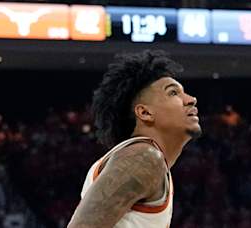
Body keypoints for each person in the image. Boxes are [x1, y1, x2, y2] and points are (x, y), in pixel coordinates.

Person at [69, 51, 201, 227]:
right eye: (173, 93)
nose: (191, 99)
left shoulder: (146, 160)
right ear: (145, 112)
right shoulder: (143, 158)